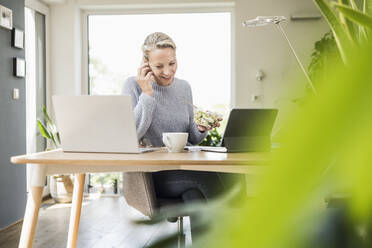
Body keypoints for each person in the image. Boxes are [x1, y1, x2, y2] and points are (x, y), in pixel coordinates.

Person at [122, 32, 236, 237]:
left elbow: (191, 137)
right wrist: (147, 94)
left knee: (197, 196)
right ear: (145, 65)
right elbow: (131, 134)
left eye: (172, 63)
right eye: (159, 66)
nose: (167, 72)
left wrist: (200, 128)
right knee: (207, 179)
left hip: (184, 169)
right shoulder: (133, 86)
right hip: (151, 176)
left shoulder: (184, 87)